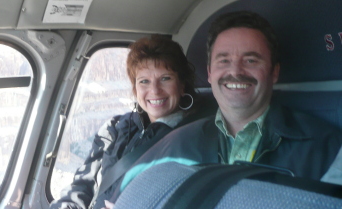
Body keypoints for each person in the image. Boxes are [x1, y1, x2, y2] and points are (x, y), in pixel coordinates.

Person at [112, 11, 342, 200]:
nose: (235, 71)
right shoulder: (176, 143)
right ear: (210, 73)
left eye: (251, 60)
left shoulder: (328, 148)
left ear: (274, 72)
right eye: (224, 61)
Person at [49, 35, 202, 209]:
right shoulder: (115, 128)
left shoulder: (193, 140)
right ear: (135, 89)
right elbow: (82, 187)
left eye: (165, 78)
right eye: (144, 81)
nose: (155, 90)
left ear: (182, 85)